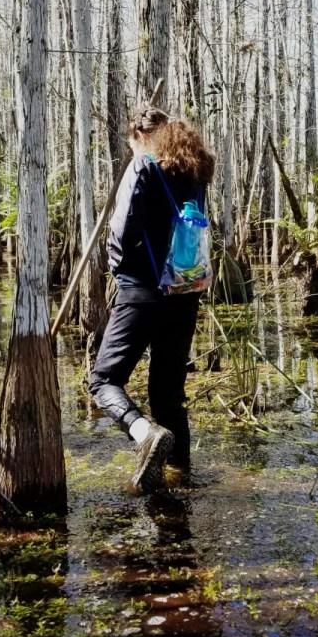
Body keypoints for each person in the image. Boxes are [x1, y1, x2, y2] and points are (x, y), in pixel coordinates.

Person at [89, 108, 216, 494]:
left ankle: (145, 434)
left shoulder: (143, 167)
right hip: (184, 291)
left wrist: (120, 275)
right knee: (168, 395)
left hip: (142, 289)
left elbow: (123, 231)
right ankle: (181, 479)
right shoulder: (195, 175)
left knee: (103, 381)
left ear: (141, 137)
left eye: (132, 144)